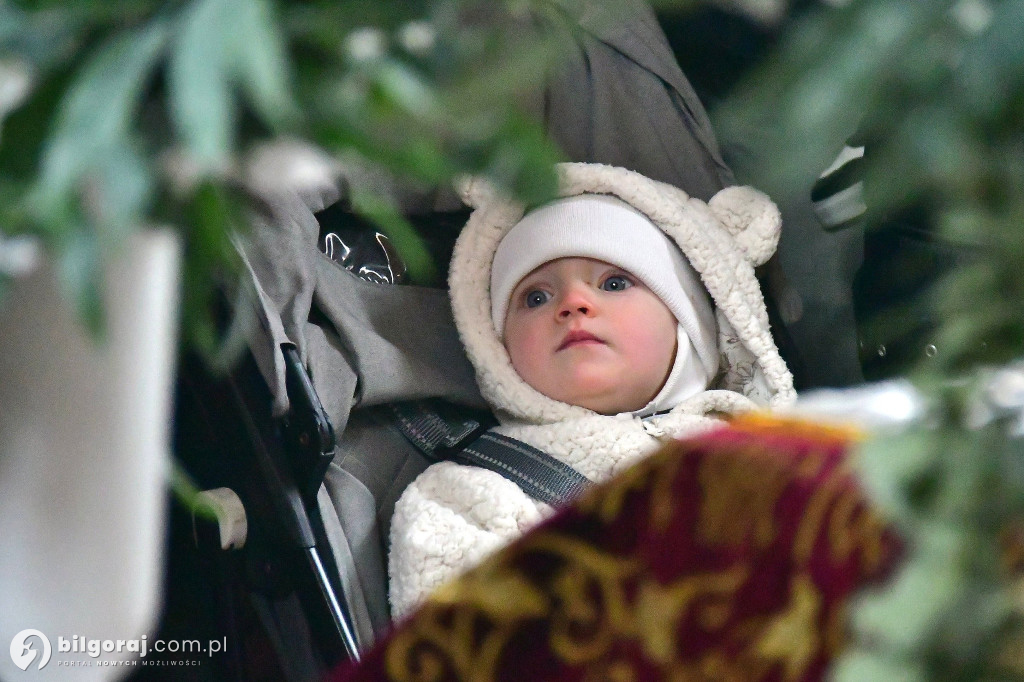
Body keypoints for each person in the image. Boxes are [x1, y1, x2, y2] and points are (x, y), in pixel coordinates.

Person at [387, 161, 796, 617]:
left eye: (615, 283)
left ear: (691, 325)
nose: (573, 303)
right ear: (493, 347)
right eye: (535, 297)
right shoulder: (469, 497)